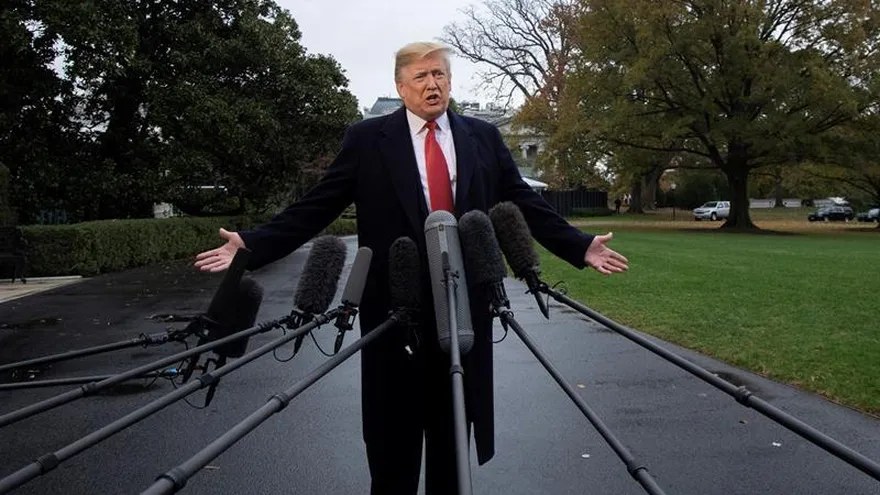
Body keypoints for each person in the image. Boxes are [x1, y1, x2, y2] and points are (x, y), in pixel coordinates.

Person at [195, 41, 628, 494]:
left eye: (439, 74)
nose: (432, 84)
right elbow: (316, 207)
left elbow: (523, 201)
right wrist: (251, 245)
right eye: (420, 77)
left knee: (452, 447)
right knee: (392, 450)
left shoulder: (482, 137)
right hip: (392, 313)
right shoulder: (367, 140)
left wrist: (579, 246)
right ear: (400, 87)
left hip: (463, 312)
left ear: (450, 82)